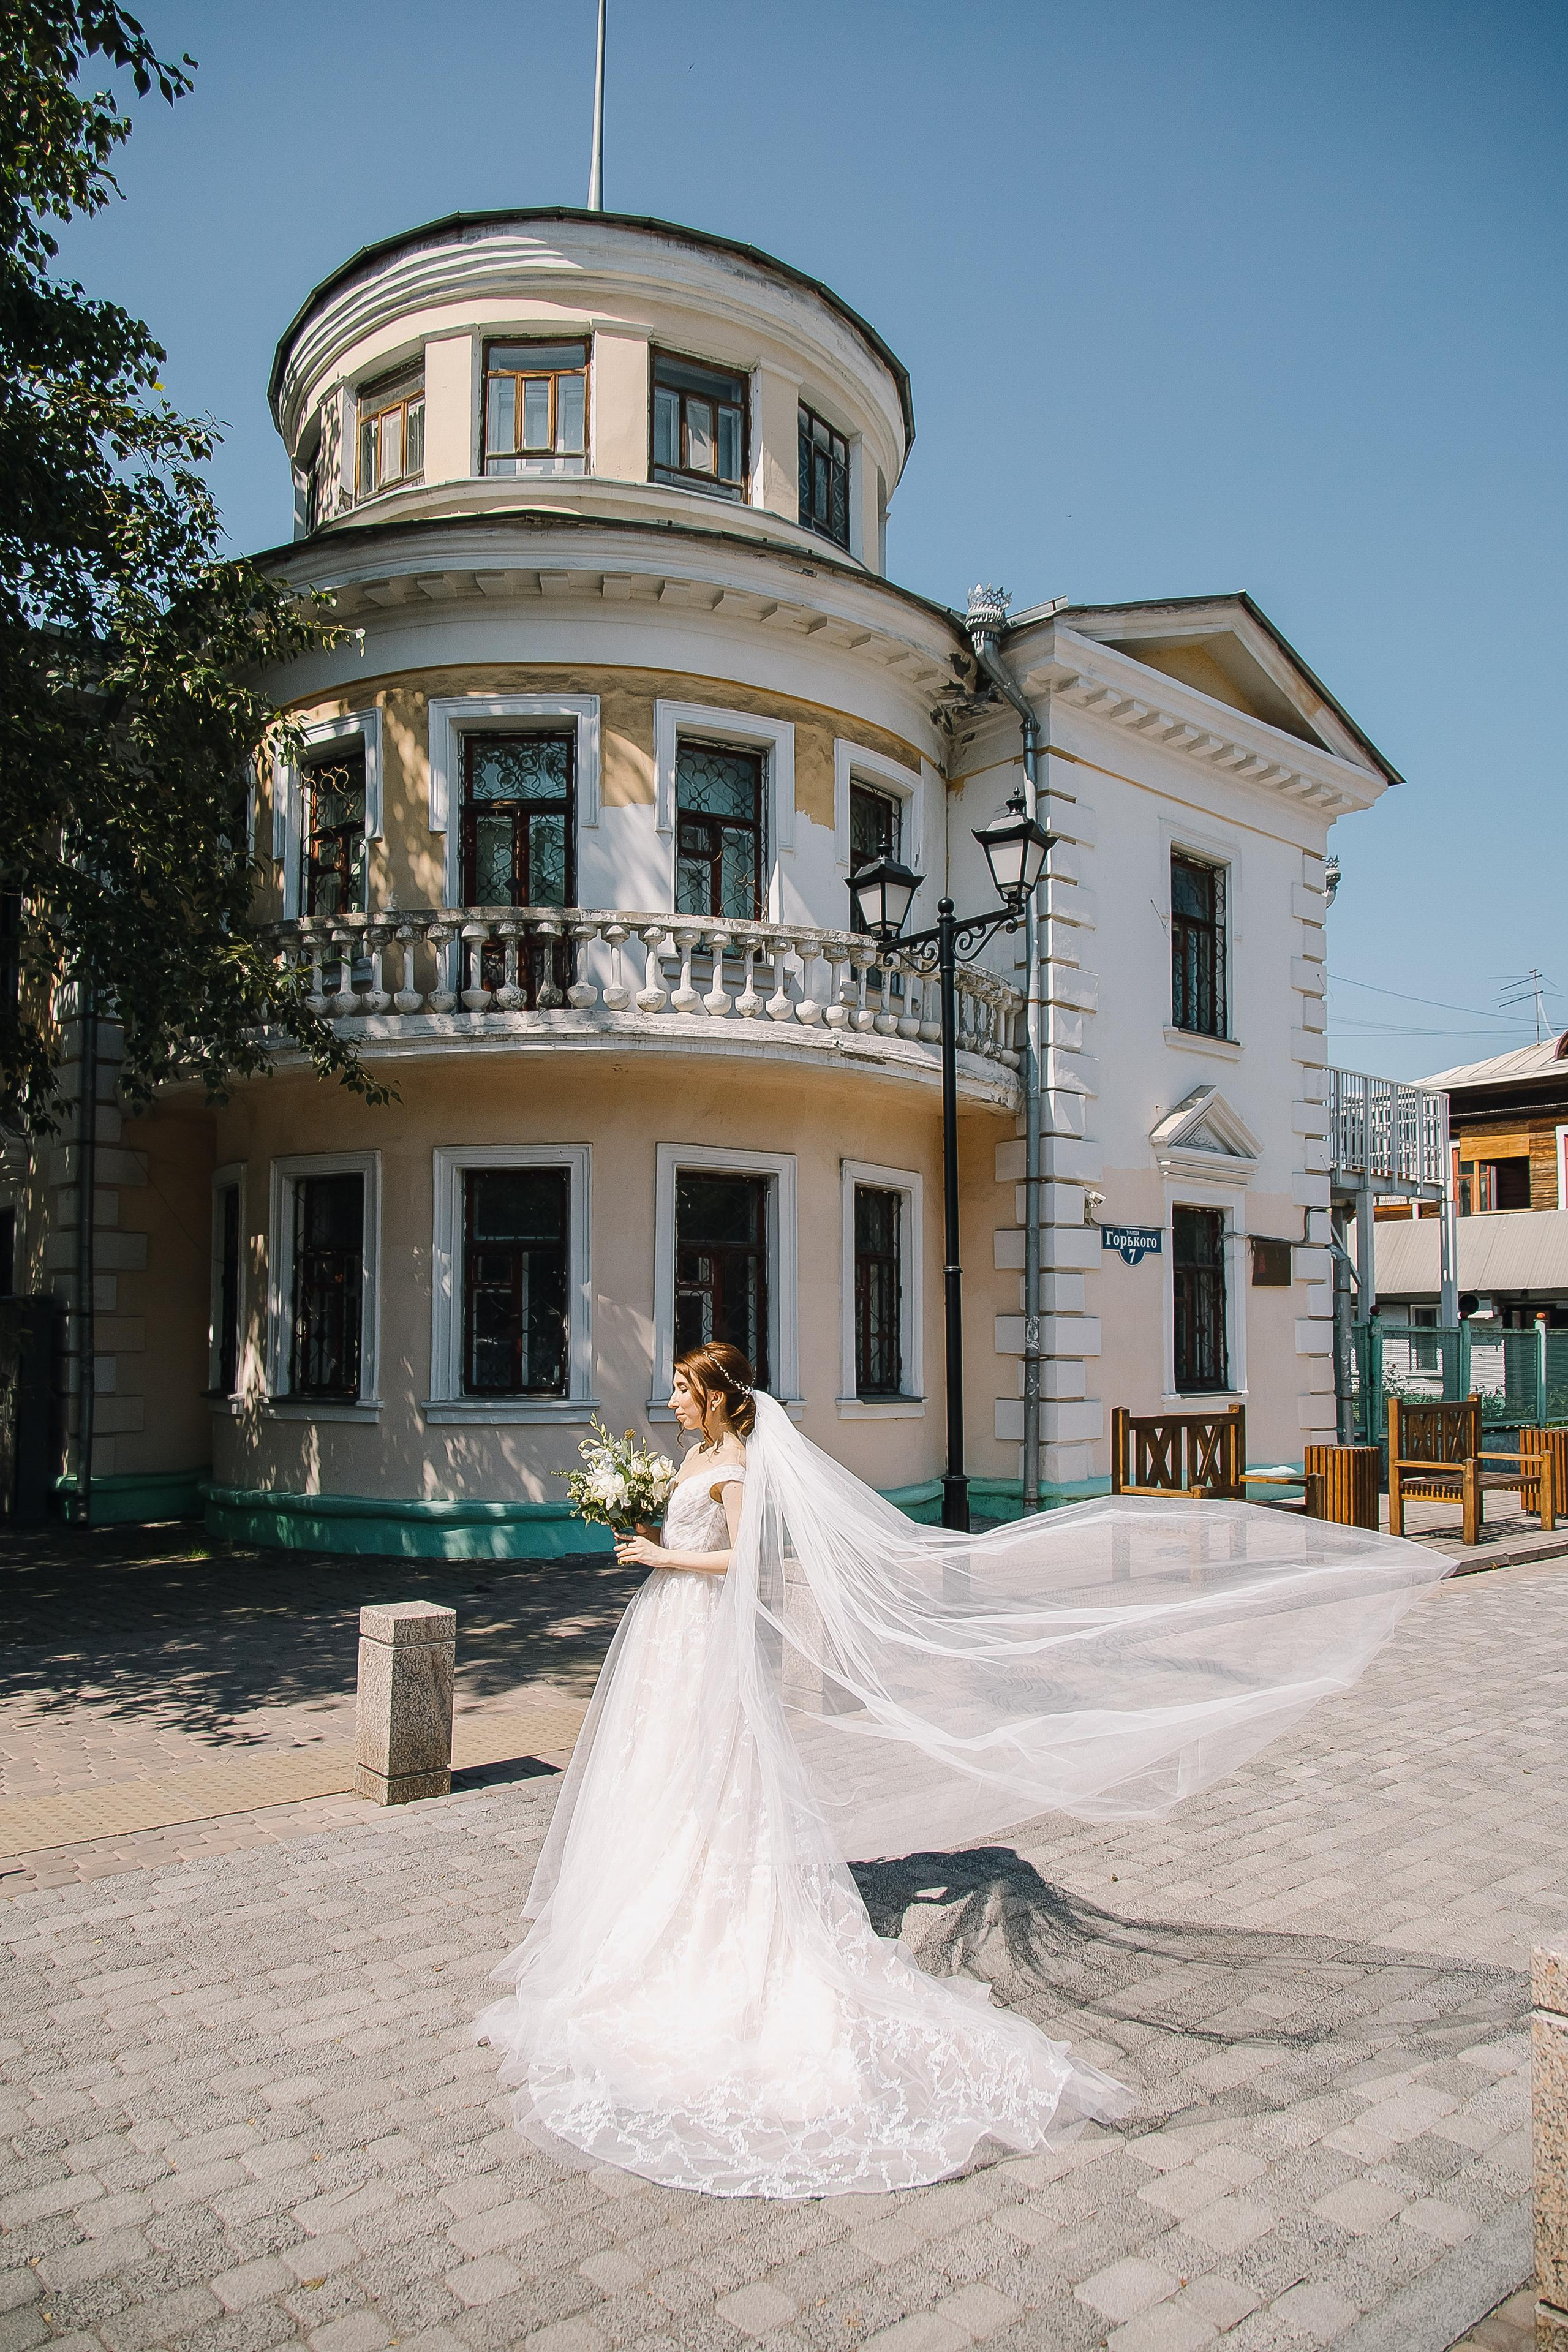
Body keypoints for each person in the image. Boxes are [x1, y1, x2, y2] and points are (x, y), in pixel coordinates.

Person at [478, 1347, 1449, 2199]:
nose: (676, 1402)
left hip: (697, 1626)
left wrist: (660, 1554)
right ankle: (657, 1886)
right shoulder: (692, 1455)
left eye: (687, 1390)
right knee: (663, 1767)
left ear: (724, 1400)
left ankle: (717, 1902)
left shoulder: (734, 1463)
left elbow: (750, 1558)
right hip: (667, 1637)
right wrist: (651, 1542)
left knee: (717, 1769)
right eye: (678, 1390)